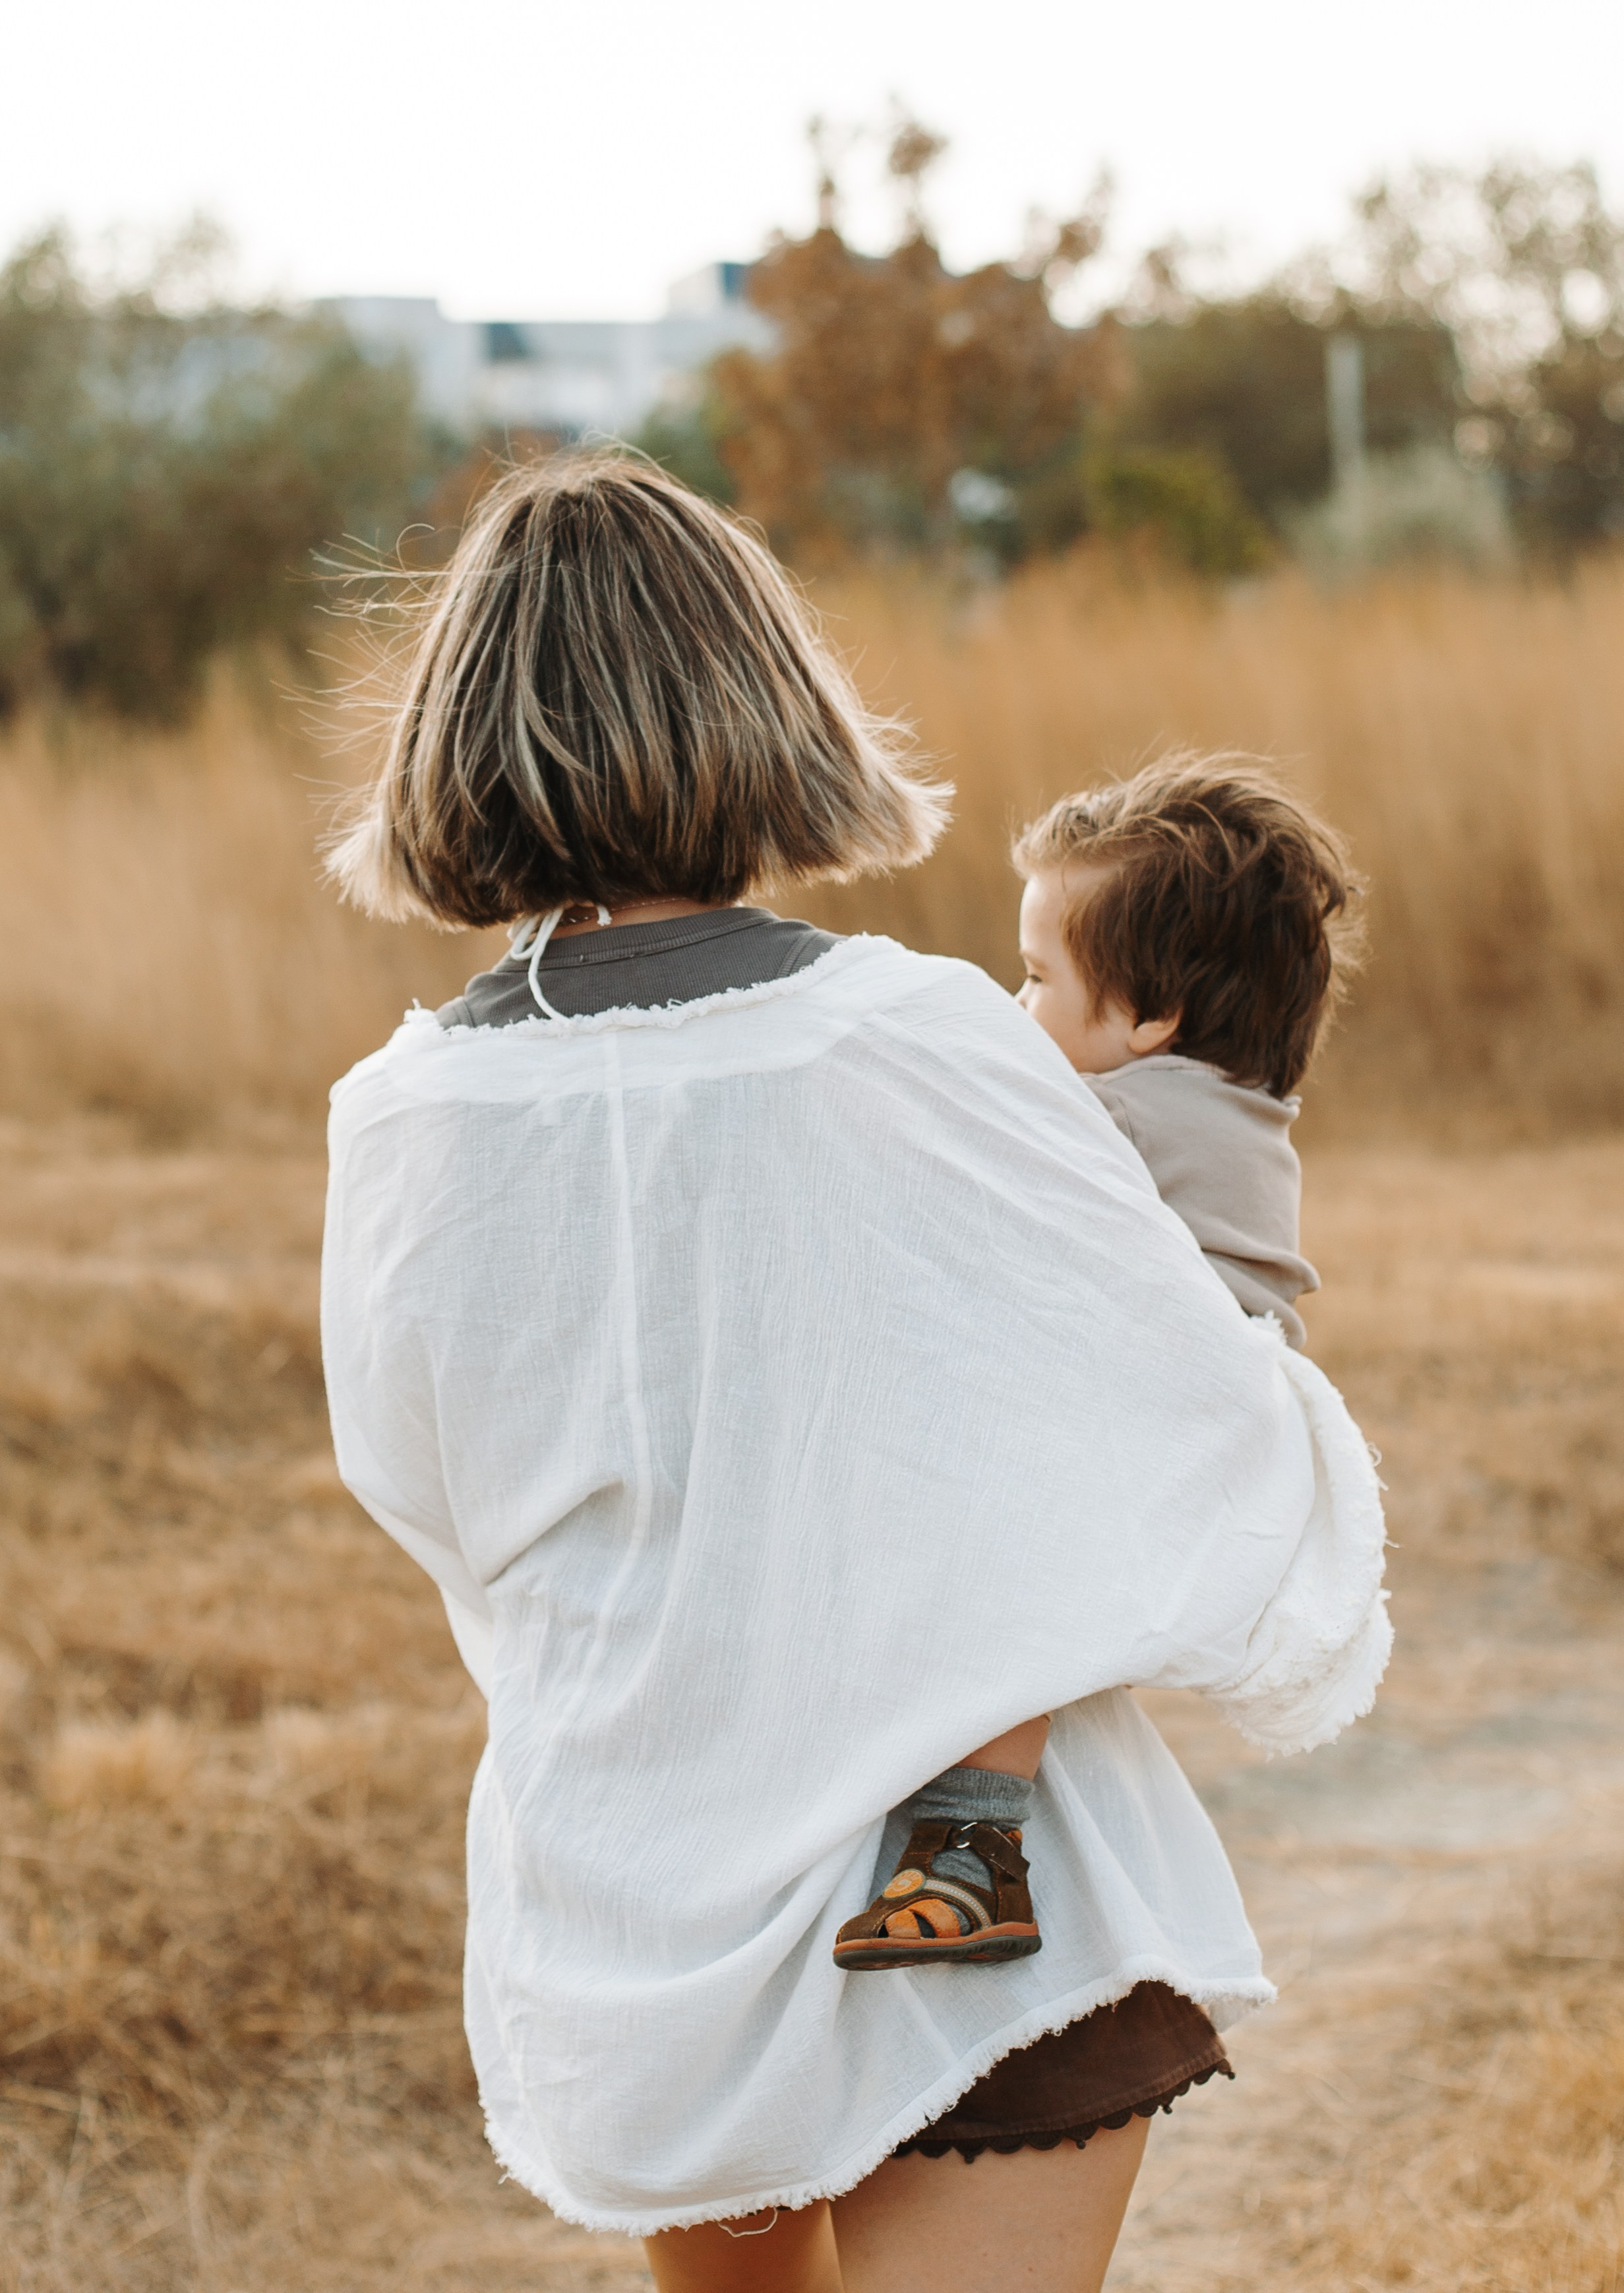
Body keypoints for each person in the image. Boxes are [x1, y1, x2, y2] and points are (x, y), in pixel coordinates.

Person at [320, 452, 1391, 2293]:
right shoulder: (920, 1035)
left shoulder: (403, 1116)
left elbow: (438, 1504)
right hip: (983, 1924)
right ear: (762, 699)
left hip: (649, 1891)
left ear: (452, 735)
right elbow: (1177, 1401)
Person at [832, 756, 1361, 1976]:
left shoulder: (1116, 1119)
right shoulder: (1215, 1099)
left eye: (1034, 979)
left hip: (1158, 1398)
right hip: (1193, 1384)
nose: (1018, 1011)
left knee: (998, 1569)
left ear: (1147, 1021)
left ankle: (971, 1853)